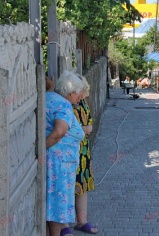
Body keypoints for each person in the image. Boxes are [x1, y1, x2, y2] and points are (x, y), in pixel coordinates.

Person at [46, 70, 85, 236]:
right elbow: (59, 132)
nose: (80, 96)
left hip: (60, 164)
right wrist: (41, 150)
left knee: (56, 204)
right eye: (78, 93)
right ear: (71, 92)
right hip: (59, 166)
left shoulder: (51, 98)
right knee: (57, 207)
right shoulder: (63, 105)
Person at [72, 75, 98, 234]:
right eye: (81, 93)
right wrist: (84, 130)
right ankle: (65, 225)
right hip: (71, 151)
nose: (82, 96)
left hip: (83, 150)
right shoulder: (67, 103)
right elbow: (65, 128)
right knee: (70, 186)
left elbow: (89, 120)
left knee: (82, 186)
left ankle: (82, 221)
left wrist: (87, 129)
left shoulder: (81, 101)